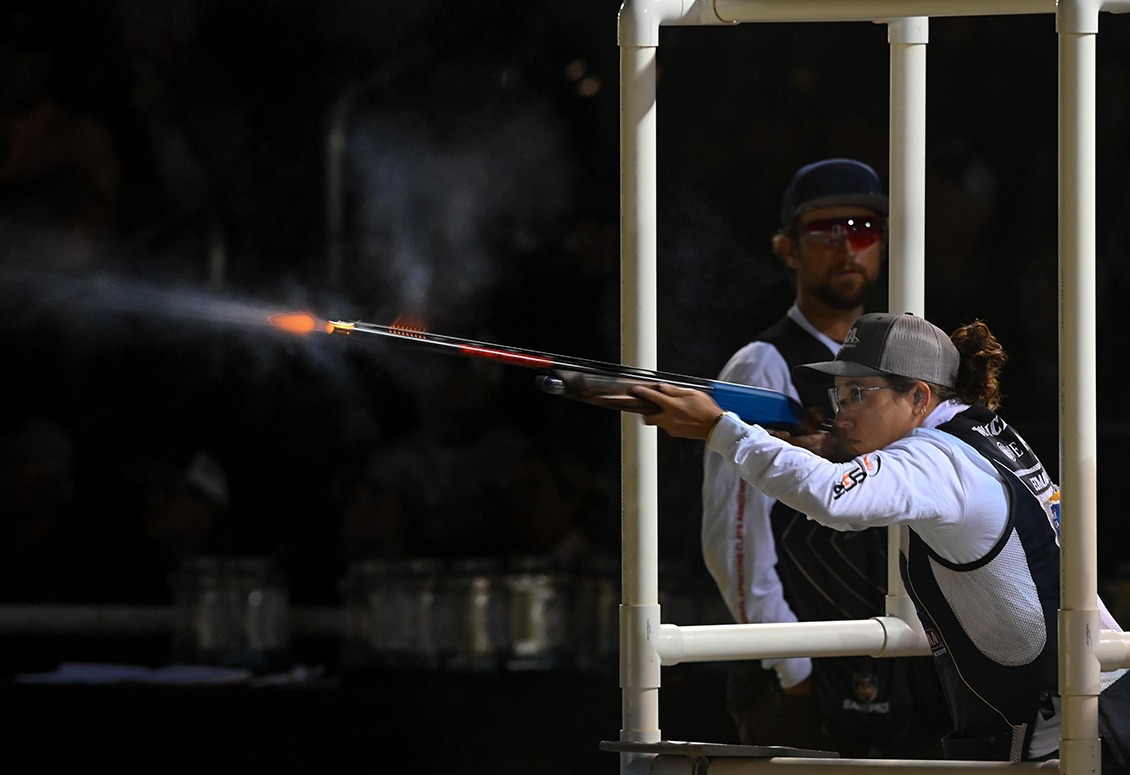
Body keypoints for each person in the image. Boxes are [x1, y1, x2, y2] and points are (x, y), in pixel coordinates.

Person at [634, 312, 1130, 767]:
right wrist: (823, 445)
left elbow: (834, 499)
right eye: (838, 396)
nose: (842, 413)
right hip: (1084, 702)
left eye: (859, 394)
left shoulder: (938, 458)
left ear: (917, 397)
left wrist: (718, 429)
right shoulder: (976, 432)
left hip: (1071, 728)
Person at [702, 158, 946, 755]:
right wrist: (796, 671)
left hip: (896, 661)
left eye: (863, 230)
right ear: (787, 248)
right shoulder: (764, 365)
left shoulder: (910, 370)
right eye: (824, 232)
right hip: (803, 680)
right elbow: (734, 541)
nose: (846, 247)